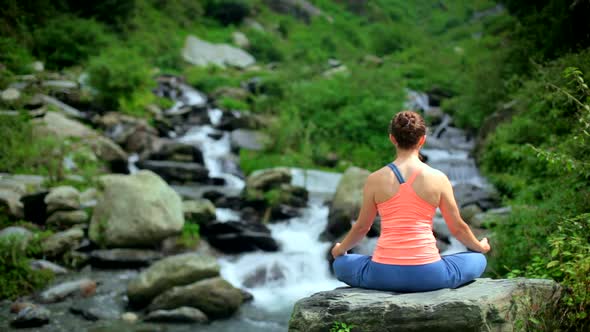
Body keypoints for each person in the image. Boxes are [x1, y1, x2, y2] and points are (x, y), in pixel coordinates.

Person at [331, 110, 490, 293]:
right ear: (422, 140)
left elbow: (361, 228)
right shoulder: (438, 178)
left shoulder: (375, 179)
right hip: (430, 275)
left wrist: (340, 249)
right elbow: (457, 228)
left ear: (392, 139)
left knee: (341, 263)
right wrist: (480, 246)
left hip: (383, 274)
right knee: (479, 259)